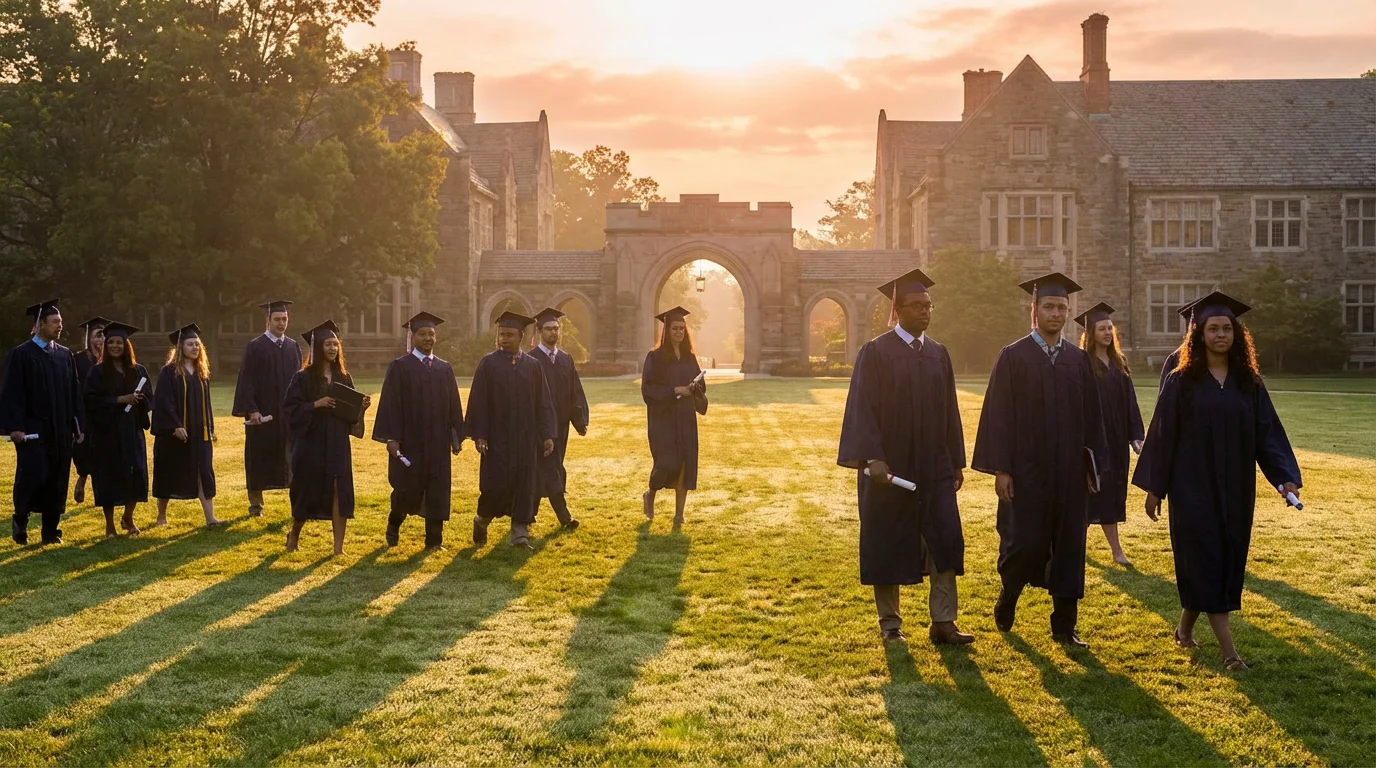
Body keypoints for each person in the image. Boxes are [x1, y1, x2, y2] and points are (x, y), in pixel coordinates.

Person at [1133, 292, 1301, 671]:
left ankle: (1183, 629)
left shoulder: (1248, 383)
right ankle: (1229, 653)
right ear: (1200, 334)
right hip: (1192, 488)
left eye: (1227, 328)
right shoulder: (1182, 381)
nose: (1221, 334)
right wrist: (1155, 488)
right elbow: (1162, 435)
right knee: (1206, 558)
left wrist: (1285, 478)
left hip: (1236, 490)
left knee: (1222, 560)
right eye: (1213, 328)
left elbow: (1267, 434)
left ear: (1237, 335)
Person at [837, 268, 973, 645]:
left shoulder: (938, 354)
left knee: (945, 539)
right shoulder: (876, 353)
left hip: (934, 466)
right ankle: (890, 624)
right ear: (897, 309)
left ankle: (943, 622)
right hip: (890, 468)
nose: (926, 312)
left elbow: (950, 411)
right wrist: (871, 458)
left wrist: (956, 462)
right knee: (887, 540)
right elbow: (861, 409)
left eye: (929, 306)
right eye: (917, 306)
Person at [972, 273, 1108, 648]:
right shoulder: (1013, 356)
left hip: (1068, 473)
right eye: (1049, 306)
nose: (1056, 313)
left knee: (1069, 547)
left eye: (1062, 307)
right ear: (1034, 310)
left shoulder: (1078, 360)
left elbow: (1092, 418)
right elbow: (997, 415)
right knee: (1024, 544)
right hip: (1026, 472)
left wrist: (1092, 466)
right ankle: (1009, 593)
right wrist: (1001, 468)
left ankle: (1064, 625)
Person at [372, 311, 465, 550]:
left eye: (431, 334)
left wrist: (456, 436)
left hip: (437, 442)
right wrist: (392, 438)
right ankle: (394, 522)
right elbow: (390, 404)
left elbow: (454, 404)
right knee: (407, 489)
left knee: (438, 489)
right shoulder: (400, 367)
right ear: (412, 337)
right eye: (422, 334)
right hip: (409, 442)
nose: (427, 338)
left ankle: (434, 541)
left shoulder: (444, 368)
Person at [468, 311, 557, 548]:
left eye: (509, 335)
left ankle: (519, 533)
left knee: (524, 484)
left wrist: (546, 435)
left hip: (526, 439)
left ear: (521, 336)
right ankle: (482, 519)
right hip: (498, 439)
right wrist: (480, 435)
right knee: (496, 485)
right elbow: (478, 401)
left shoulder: (533, 366)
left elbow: (543, 403)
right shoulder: (488, 364)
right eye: (501, 334)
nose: (504, 339)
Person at [0, 299, 85, 545]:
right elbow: (12, 393)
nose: (60, 326)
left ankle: (50, 532)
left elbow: (74, 393)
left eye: (61, 322)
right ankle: (21, 519)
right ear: (40, 324)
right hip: (33, 431)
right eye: (55, 322)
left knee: (57, 478)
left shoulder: (65, 355)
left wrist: (77, 424)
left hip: (60, 431)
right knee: (33, 476)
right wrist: (15, 427)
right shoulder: (21, 355)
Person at [282, 320, 370, 556]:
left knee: (339, 490)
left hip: (338, 442)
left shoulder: (344, 376)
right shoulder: (303, 378)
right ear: (318, 347)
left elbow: (351, 414)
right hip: (311, 443)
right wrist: (315, 404)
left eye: (336, 344)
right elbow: (290, 411)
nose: (333, 348)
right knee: (307, 491)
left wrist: (361, 407)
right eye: (328, 344)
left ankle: (338, 549)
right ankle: (295, 534)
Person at [1076, 303, 1145, 567]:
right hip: (1093, 441)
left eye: (1110, 328)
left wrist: (1135, 435)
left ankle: (1112, 549)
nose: (1107, 332)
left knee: (1113, 492)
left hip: (1116, 440)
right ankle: (1091, 547)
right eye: (1102, 328)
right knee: (1091, 492)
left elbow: (1130, 401)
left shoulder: (1119, 362)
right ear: (1091, 333)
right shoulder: (1082, 363)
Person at [231, 300, 301, 517]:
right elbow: (247, 381)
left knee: (293, 459)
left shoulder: (292, 346)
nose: (281, 323)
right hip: (263, 415)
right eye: (277, 319)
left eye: (285, 319)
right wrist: (252, 410)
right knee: (258, 458)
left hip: (288, 415)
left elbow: (299, 381)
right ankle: (256, 505)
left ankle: (297, 505)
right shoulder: (255, 347)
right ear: (267, 320)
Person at [151, 324, 224, 528]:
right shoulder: (169, 372)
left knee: (203, 471)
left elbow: (206, 404)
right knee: (168, 471)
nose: (195, 348)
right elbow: (164, 402)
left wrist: (210, 428)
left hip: (199, 433)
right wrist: (175, 426)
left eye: (198, 344)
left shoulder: (202, 373)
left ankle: (210, 518)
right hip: (174, 434)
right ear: (180, 347)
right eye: (190, 344)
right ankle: (161, 517)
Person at [640, 306, 707, 527]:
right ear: (666, 331)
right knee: (666, 462)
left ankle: (679, 514)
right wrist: (676, 390)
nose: (678, 331)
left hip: (686, 417)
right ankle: (650, 493)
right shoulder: (655, 357)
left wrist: (694, 387)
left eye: (681, 328)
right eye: (674, 328)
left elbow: (701, 386)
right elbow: (648, 389)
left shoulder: (689, 358)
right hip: (663, 419)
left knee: (686, 464)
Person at [83, 322, 151, 538]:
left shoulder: (138, 370)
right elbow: (90, 400)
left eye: (118, 342)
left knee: (136, 474)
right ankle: (110, 524)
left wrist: (141, 400)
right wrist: (122, 399)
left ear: (126, 345)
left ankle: (128, 516)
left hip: (131, 431)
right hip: (107, 432)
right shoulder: (97, 372)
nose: (114, 346)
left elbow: (150, 398)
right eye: (110, 342)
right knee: (109, 476)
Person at [531, 307, 589, 532]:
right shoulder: (531, 360)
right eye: (548, 329)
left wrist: (579, 420)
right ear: (538, 331)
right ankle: (564, 517)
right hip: (540, 427)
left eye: (556, 328)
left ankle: (528, 514)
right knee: (551, 468)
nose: (553, 333)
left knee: (545, 468)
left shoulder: (565, 359)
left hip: (561, 425)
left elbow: (575, 391)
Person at [71, 316, 109, 504]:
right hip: (85, 412)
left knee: (103, 452)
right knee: (83, 450)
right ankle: (82, 477)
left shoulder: (111, 359)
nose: (101, 340)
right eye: (97, 336)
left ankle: (101, 491)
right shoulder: (78, 359)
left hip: (104, 413)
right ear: (89, 338)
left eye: (103, 336)